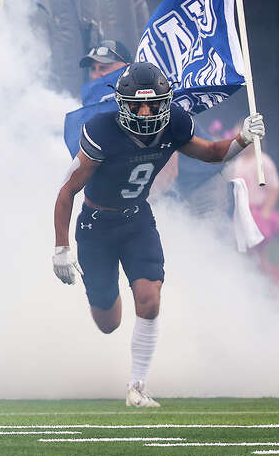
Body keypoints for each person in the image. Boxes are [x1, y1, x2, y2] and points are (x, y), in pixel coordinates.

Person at [52, 61, 266, 408]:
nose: (146, 111)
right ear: (122, 103)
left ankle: (137, 386)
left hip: (137, 219)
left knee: (149, 300)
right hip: (96, 226)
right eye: (137, 104)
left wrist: (243, 139)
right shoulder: (102, 130)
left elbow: (210, 153)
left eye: (153, 103)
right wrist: (61, 247)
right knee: (108, 322)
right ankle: (103, 300)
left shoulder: (175, 124)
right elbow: (66, 192)